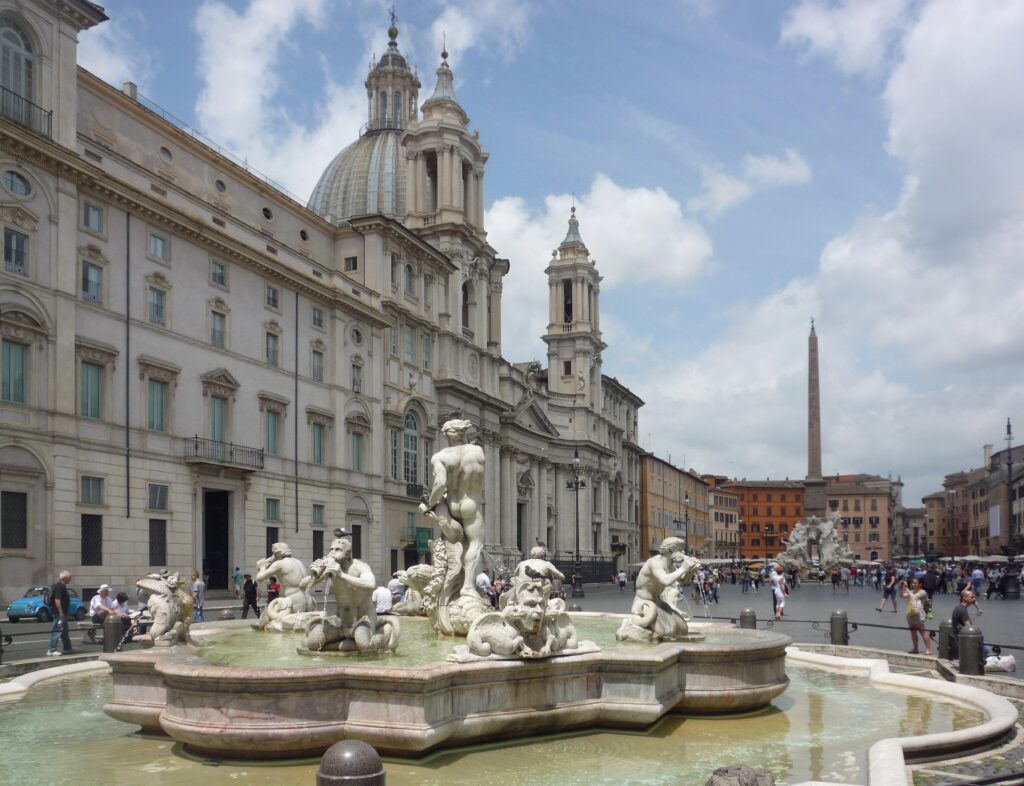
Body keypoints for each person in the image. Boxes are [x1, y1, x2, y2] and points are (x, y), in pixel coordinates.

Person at [419, 418, 486, 600]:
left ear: (446, 435)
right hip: (471, 504)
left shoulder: (440, 456)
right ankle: (467, 586)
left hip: (450, 504)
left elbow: (440, 484)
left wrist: (432, 503)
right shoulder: (477, 452)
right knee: (474, 544)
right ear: (463, 433)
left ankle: (448, 583)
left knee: (451, 541)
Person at [951, 588, 992, 659]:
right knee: (986, 648)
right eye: (972, 597)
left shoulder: (961, 607)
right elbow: (969, 627)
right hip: (962, 636)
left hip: (959, 634)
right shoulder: (962, 610)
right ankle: (977, 664)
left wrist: (978, 609)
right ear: (965, 598)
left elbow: (974, 602)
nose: (974, 598)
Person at [900, 578, 932, 656]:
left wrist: (906, 588)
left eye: (915, 583)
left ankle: (928, 649)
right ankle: (915, 648)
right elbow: (902, 595)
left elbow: (913, 598)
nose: (913, 584)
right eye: (912, 583)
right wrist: (902, 587)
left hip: (919, 613)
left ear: (920, 584)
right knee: (913, 632)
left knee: (922, 631)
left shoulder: (923, 592)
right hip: (910, 612)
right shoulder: (912, 591)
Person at [46, 570, 74, 656]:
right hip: (59, 614)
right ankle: (51, 649)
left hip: (62, 613)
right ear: (65, 578)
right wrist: (61, 612)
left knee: (64, 631)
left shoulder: (61, 586)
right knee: (57, 630)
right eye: (70, 577)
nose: (71, 579)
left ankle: (67, 647)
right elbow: (57, 600)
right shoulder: (60, 587)